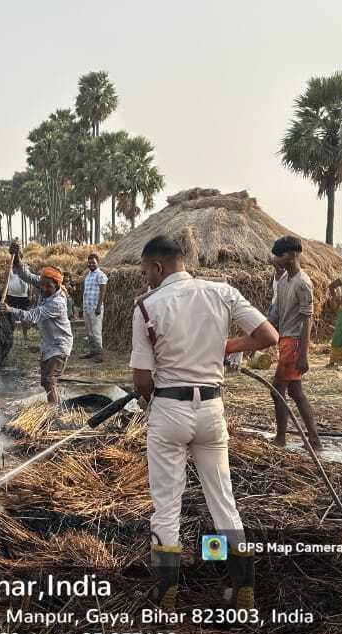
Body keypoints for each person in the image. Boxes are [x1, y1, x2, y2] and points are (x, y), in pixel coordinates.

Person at [129, 235, 278, 611]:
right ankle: (243, 589)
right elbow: (267, 336)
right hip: (212, 410)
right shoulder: (222, 292)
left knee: (166, 504)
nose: (144, 279)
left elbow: (141, 378)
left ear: (159, 267)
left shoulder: (147, 306)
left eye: (146, 272)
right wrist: (228, 346)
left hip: (169, 411)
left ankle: (166, 595)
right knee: (223, 500)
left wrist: (148, 400)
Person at [268, 236, 322, 450]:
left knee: (278, 391)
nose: (275, 259)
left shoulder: (303, 282)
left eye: (279, 255)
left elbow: (307, 318)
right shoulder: (283, 281)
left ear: (291, 255)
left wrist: (303, 354)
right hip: (285, 340)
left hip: (294, 343)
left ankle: (281, 438)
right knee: (295, 392)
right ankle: (314, 439)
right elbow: (277, 315)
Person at [1, 246, 73, 404]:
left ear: (57, 286)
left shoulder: (58, 303)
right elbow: (25, 275)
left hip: (59, 345)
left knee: (49, 379)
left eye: (49, 286)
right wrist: (17, 258)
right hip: (48, 344)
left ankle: (54, 414)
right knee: (46, 381)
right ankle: (54, 406)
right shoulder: (43, 284)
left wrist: (9, 309)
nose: (44, 288)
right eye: (43, 285)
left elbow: (32, 316)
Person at [80, 253, 108, 361]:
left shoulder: (101, 275)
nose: (91, 264)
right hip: (87, 307)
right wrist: (83, 307)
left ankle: (100, 355)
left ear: (98, 263)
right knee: (89, 332)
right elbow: (85, 292)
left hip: (95, 308)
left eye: (93, 262)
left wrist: (98, 306)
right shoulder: (88, 275)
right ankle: (92, 352)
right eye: (89, 262)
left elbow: (103, 291)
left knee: (96, 332)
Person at [4, 242, 33, 344]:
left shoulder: (26, 268)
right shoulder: (9, 268)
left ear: (21, 257)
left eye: (19, 256)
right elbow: (5, 281)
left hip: (23, 296)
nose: (17, 258)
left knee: (23, 316)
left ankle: (25, 335)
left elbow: (29, 282)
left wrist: (30, 294)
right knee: (10, 316)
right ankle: (10, 335)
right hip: (11, 295)